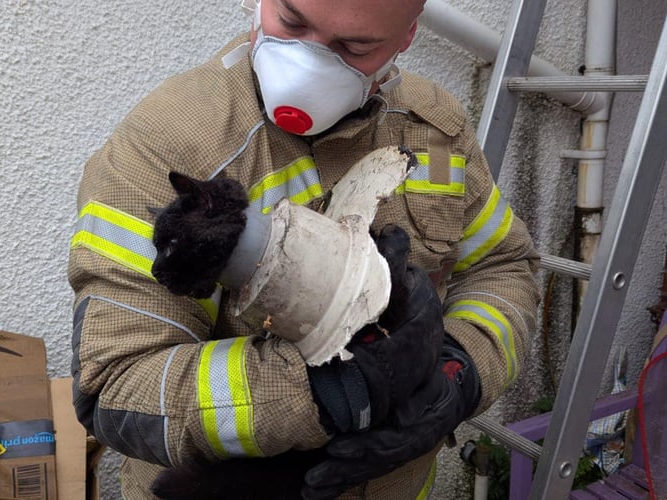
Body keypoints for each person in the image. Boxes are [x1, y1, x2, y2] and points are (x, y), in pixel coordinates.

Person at [68, 0, 541, 498]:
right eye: (290, 22)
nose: (306, 62)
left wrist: (457, 371)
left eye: (355, 46)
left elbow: (503, 266)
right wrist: (326, 391)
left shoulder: (434, 131)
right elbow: (116, 389)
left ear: (406, 38)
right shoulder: (170, 144)